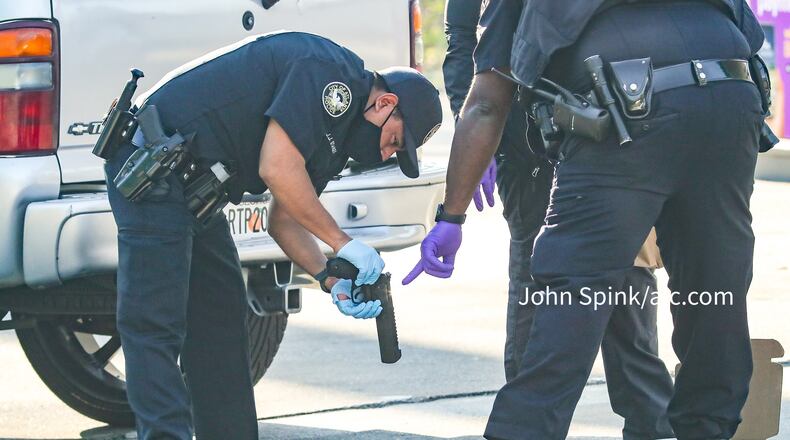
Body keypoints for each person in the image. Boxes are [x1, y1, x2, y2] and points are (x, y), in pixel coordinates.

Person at [406, 1, 765, 439]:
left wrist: (452, 216)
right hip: (731, 100)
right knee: (714, 295)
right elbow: (749, 36)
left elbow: (485, 103)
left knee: (571, 303)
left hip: (625, 116)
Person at [102, 31, 442, 440]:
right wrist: (343, 243)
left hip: (191, 184)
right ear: (385, 104)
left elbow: (282, 219)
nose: (386, 154)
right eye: (393, 142)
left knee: (221, 319)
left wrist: (329, 277)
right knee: (156, 324)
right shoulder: (332, 77)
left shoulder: (339, 134)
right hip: (151, 164)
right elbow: (277, 169)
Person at [439, 1, 675, 438]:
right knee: (539, 282)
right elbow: (462, 46)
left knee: (629, 284)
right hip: (529, 143)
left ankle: (650, 425)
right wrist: (472, 137)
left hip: (614, 132)